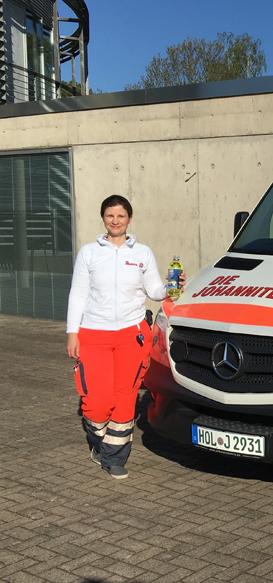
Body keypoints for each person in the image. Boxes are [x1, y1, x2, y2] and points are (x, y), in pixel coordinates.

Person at [66, 195, 183, 479]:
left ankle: (114, 457)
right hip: (94, 333)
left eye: (120, 216)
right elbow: (78, 294)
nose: (115, 221)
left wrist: (169, 289)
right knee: (96, 401)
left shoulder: (142, 253)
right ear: (103, 218)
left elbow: (153, 290)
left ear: (129, 219)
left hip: (132, 334)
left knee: (126, 396)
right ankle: (99, 443)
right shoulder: (89, 253)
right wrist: (72, 332)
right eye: (110, 216)